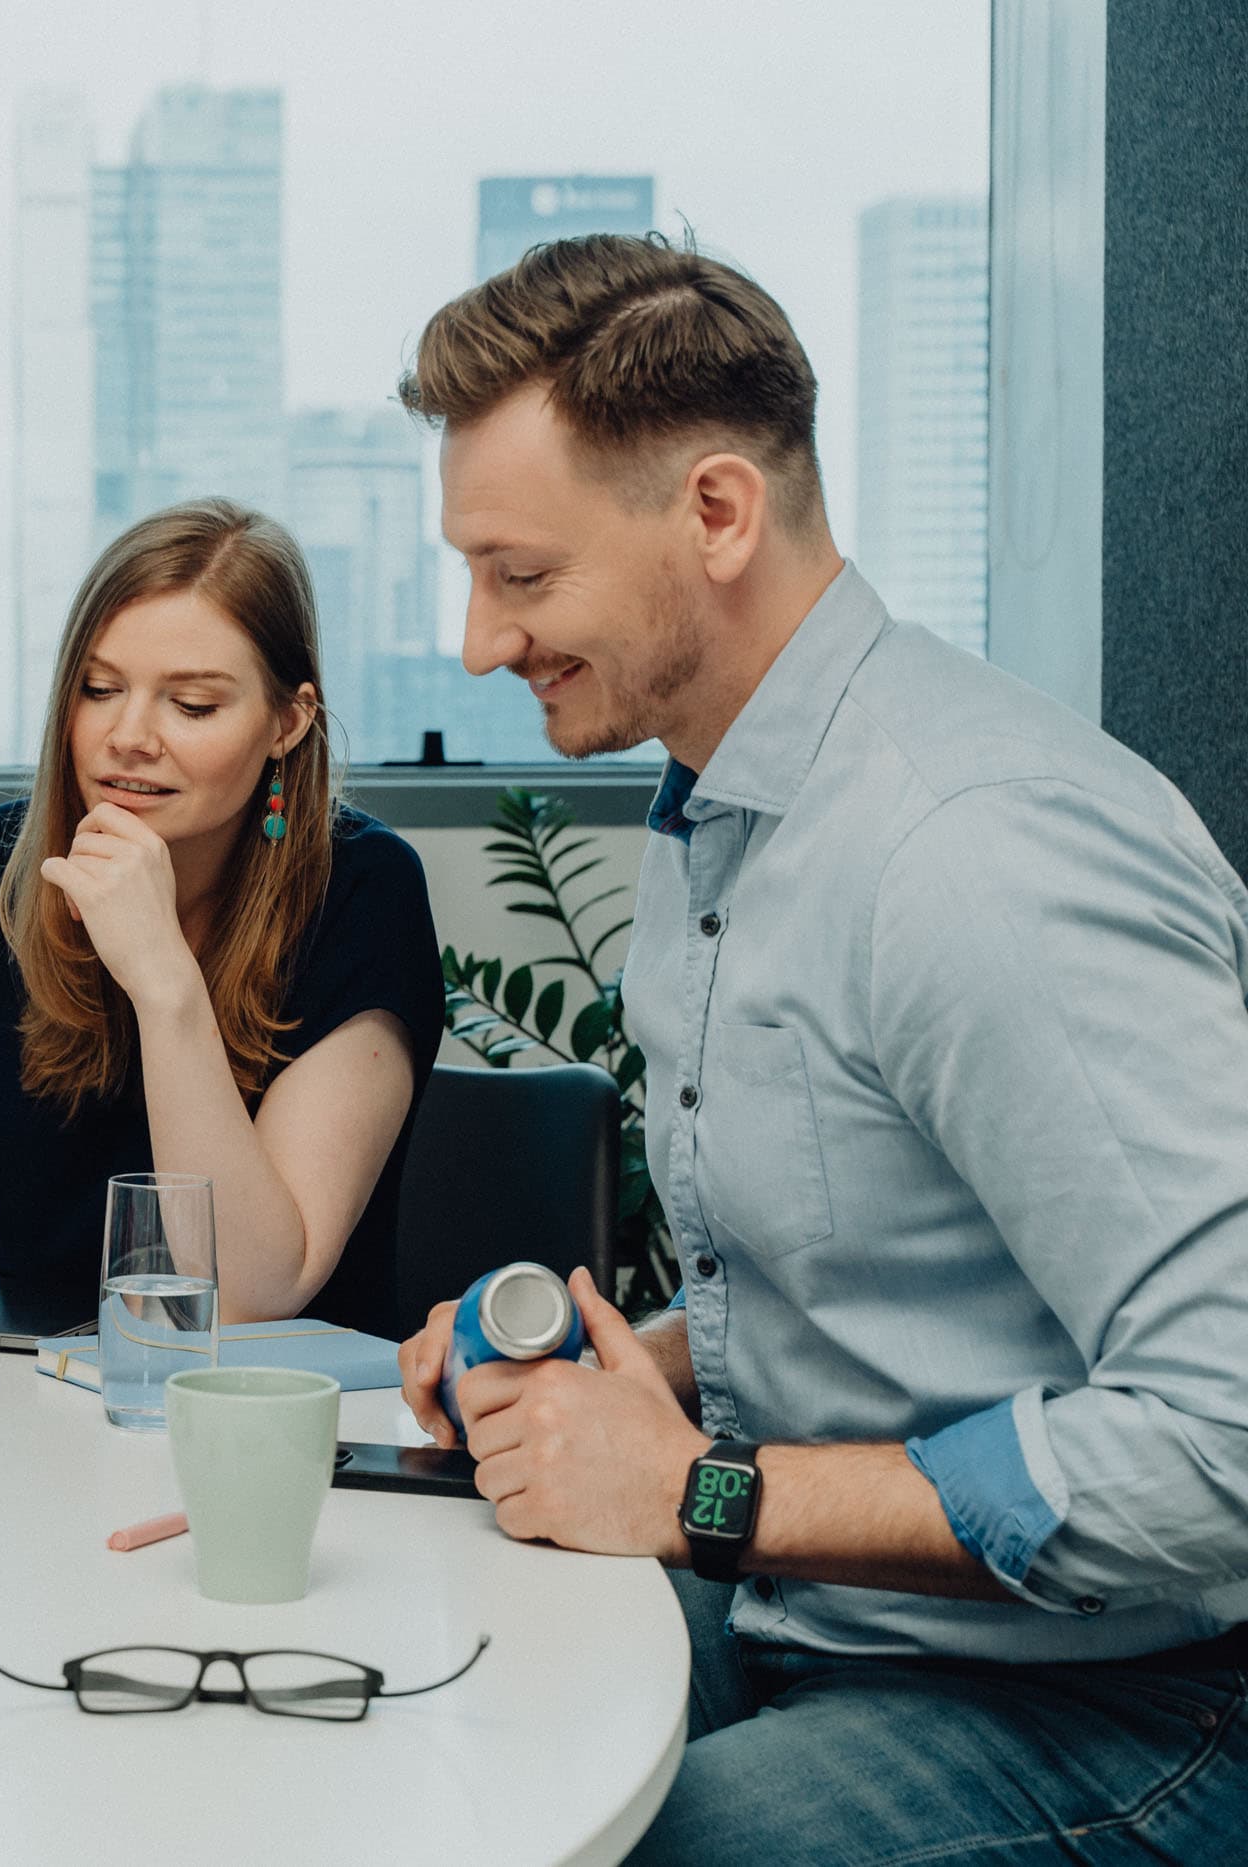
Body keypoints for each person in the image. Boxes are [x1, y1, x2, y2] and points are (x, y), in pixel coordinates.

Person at [389, 234, 1248, 1862]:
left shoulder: (976, 853)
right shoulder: (722, 813)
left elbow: (1227, 1438)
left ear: (717, 514)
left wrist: (704, 1492)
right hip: (825, 1620)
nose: (477, 643)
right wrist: (615, 1376)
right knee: (411, 1739)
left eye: (521, 575)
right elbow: (876, 1292)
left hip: (1132, 1700)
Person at [0, 499, 443, 1338]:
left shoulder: (363, 892)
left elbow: (248, 1288)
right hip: (16, 1389)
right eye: (100, 689)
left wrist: (163, 977)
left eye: (192, 705)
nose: (127, 737)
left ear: (289, 721)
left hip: (258, 1412)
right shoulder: (5, 863)